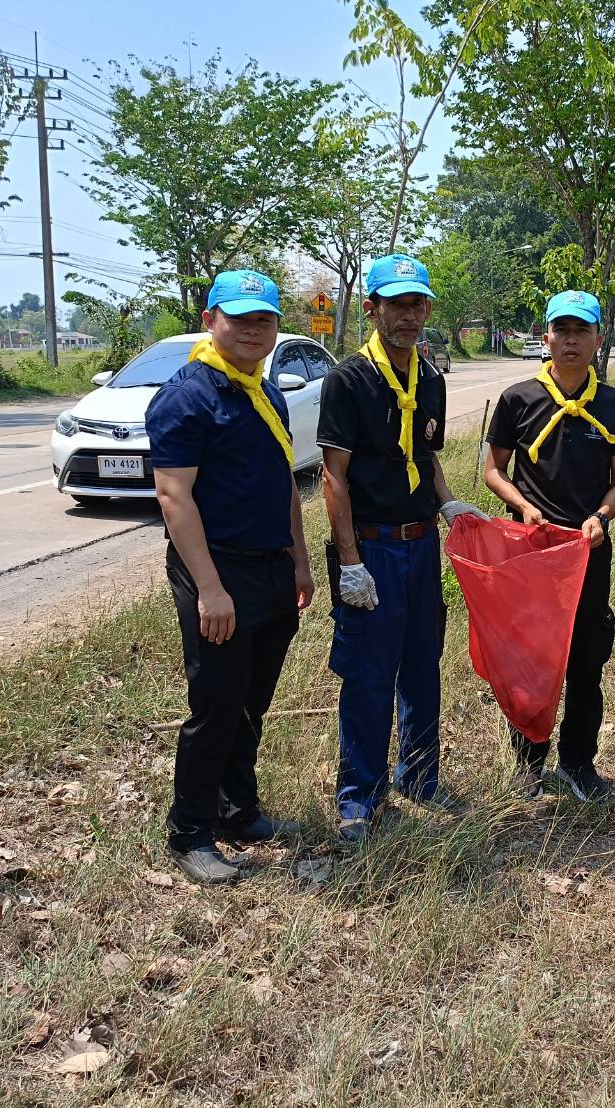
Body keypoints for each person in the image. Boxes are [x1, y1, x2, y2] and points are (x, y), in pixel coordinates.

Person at [145, 269, 314, 885]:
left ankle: (237, 810)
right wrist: (210, 589)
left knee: (252, 702)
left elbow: (284, 483)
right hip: (215, 570)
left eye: (264, 319)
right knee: (216, 705)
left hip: (271, 567)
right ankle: (190, 832)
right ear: (210, 319)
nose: (252, 330)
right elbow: (174, 497)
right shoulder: (187, 396)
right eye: (239, 318)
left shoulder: (264, 392)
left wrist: (299, 560)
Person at [317, 253, 488, 843]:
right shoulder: (349, 380)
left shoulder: (431, 379)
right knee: (369, 674)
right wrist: (349, 563)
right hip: (372, 548)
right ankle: (359, 797)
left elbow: (425, 454)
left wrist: (448, 503)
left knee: (421, 665)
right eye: (397, 305)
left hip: (422, 545)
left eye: (418, 304)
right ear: (373, 309)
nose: (410, 316)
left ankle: (419, 778)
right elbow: (333, 476)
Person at [482, 290, 615, 801]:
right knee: (532, 657)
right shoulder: (518, 399)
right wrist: (523, 506)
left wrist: (601, 517)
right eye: (562, 330)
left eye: (582, 331)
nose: (571, 340)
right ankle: (528, 763)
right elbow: (494, 471)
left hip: (589, 549)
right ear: (546, 337)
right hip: (532, 551)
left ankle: (578, 763)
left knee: (587, 658)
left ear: (599, 338)